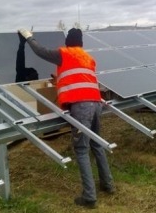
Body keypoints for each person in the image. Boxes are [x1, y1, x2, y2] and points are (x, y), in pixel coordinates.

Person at [18, 28, 114, 208]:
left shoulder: (64, 53)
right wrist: (60, 80)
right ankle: (108, 185)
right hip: (96, 102)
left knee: (81, 149)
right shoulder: (87, 58)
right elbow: (78, 77)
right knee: (97, 144)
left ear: (68, 41)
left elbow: (41, 52)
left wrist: (29, 38)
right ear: (81, 43)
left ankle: (90, 197)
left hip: (81, 106)